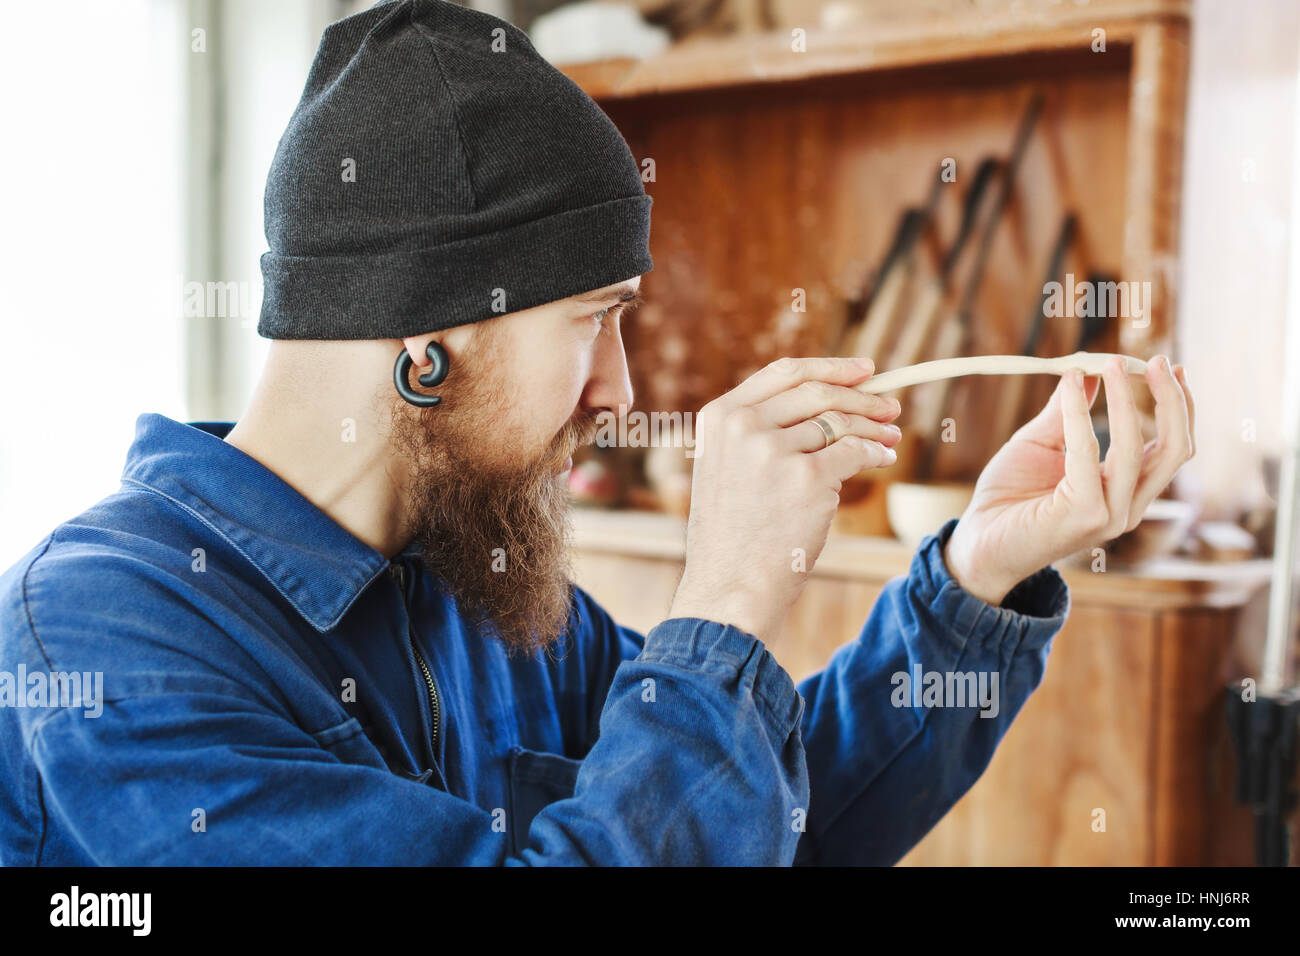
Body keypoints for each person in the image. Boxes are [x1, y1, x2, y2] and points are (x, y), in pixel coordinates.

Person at [0, 0, 1194, 865]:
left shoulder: (495, 588)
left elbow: (765, 817)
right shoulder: (103, 650)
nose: (618, 392)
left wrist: (977, 573)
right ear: (424, 340)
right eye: (595, 321)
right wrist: (720, 600)